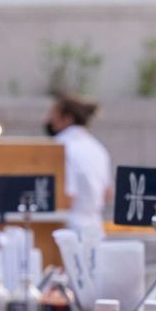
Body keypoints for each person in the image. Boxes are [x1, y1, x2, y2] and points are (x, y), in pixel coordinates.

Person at [44, 94, 112, 239]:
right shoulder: (98, 148)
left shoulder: (60, 147)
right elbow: (107, 193)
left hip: (69, 230)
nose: (49, 121)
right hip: (96, 228)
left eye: (53, 116)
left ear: (67, 118)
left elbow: (68, 196)